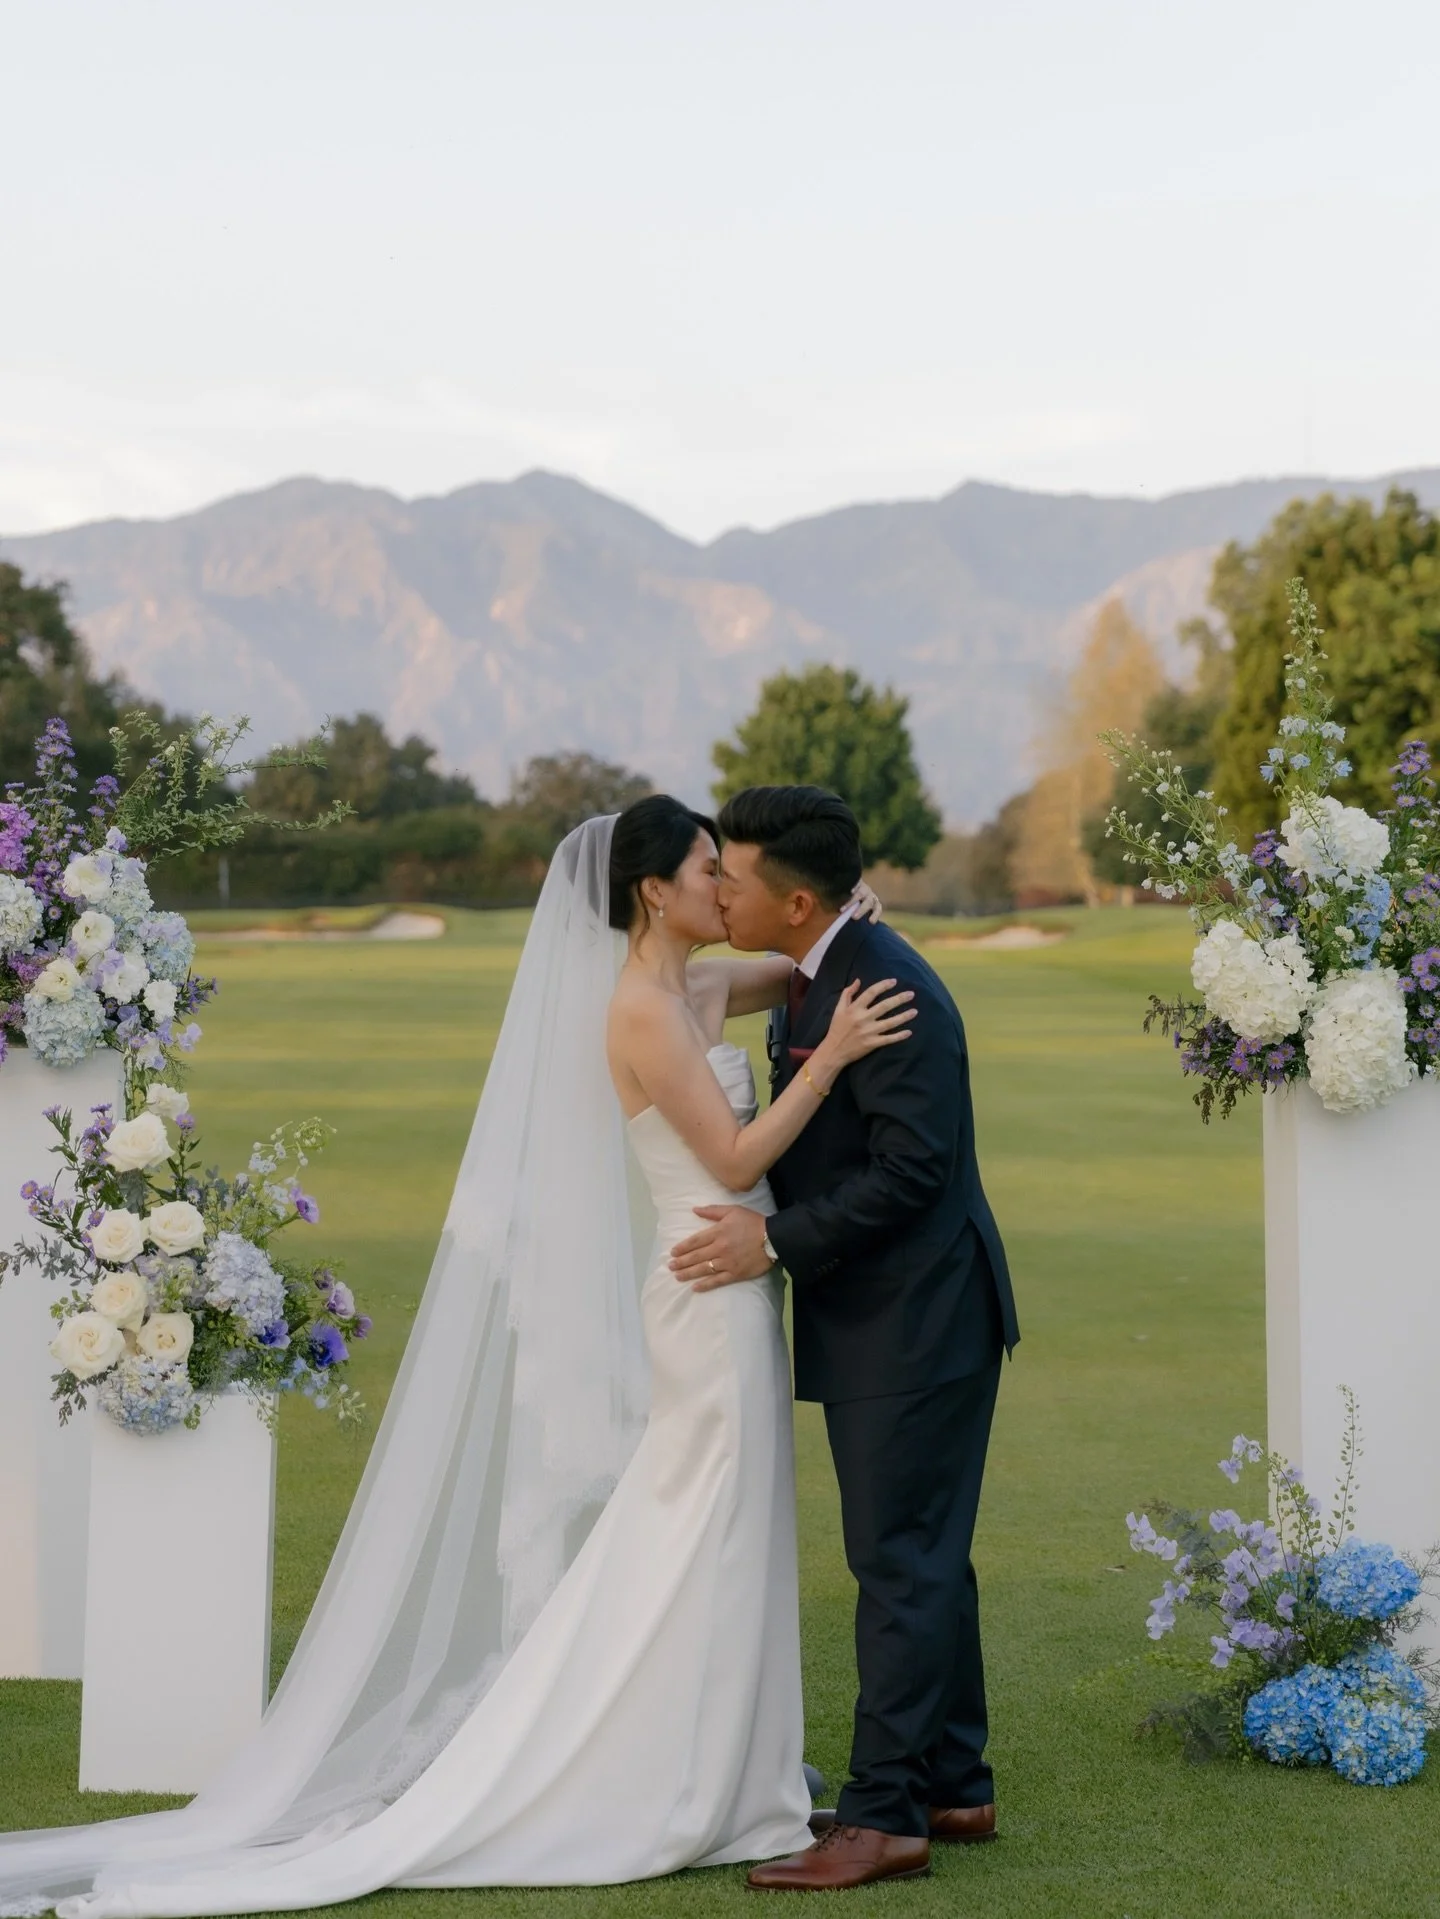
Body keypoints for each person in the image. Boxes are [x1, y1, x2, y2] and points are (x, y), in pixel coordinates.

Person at [0, 800, 910, 1917]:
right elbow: (730, 1154)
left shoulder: (697, 986)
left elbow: (797, 968)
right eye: (709, 871)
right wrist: (832, 1066)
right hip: (704, 1296)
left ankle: (727, 1761)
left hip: (735, 1291)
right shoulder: (637, 1010)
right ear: (652, 892)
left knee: (725, 1529)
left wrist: (845, 921)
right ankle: (645, 1762)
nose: (727, 887)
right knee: (694, 1525)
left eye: (731, 873)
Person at [670, 784, 1019, 1894]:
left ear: (798, 896)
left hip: (917, 1318)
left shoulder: (883, 985)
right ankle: (953, 1784)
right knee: (921, 1556)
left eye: (731, 874)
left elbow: (912, 1171)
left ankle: (882, 1820)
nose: (717, 886)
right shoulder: (825, 966)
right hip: (887, 1312)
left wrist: (773, 1242)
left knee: (898, 1564)